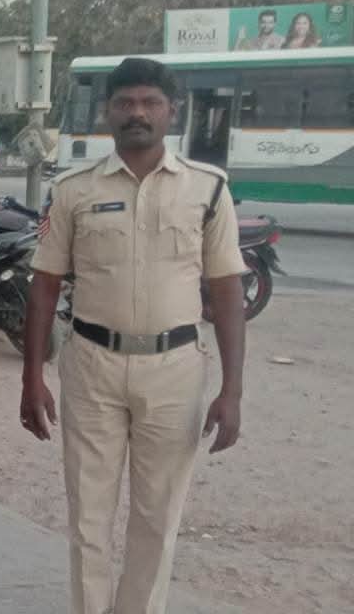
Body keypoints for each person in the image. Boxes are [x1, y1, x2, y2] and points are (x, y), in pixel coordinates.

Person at [20, 57, 247, 614]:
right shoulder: (72, 191)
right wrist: (32, 378)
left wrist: (232, 390)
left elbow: (226, 292)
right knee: (88, 517)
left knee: (157, 518)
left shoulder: (208, 190)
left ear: (172, 111)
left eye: (150, 102)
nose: (137, 112)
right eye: (125, 103)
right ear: (108, 112)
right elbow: (44, 287)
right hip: (91, 365)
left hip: (175, 371)